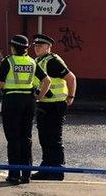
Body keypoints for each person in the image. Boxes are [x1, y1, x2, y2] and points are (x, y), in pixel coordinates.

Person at [0, 34, 51, 185]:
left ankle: (13, 175)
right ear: (26, 48)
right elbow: (47, 80)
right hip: (29, 101)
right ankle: (26, 174)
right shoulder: (32, 62)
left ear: (12, 47)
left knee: (13, 138)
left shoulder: (8, 61)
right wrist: (40, 97)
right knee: (26, 137)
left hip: (12, 101)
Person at [31, 33, 77, 181]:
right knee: (45, 138)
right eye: (36, 46)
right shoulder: (40, 60)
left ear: (48, 47)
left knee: (54, 139)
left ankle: (57, 170)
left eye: (40, 46)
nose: (37, 48)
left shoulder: (52, 61)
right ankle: (46, 168)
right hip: (44, 104)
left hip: (55, 105)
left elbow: (71, 78)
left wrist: (70, 97)